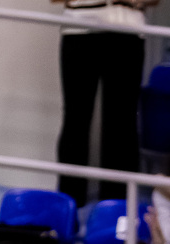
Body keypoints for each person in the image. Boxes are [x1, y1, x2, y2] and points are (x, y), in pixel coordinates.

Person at [54, 0, 153, 207]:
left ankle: (116, 210)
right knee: (75, 119)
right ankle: (68, 205)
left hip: (128, 29)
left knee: (122, 123)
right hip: (79, 27)